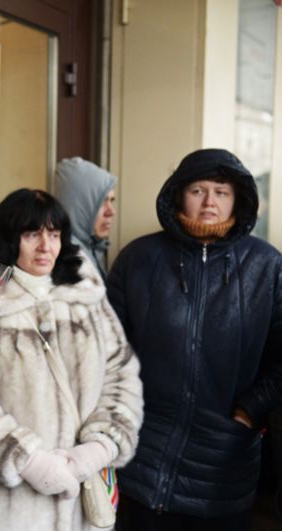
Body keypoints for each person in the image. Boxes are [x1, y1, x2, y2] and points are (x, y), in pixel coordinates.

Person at [0, 188, 143, 531]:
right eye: (32, 234)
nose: (45, 246)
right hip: (1, 507)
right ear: (9, 237)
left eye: (54, 234)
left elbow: (121, 374)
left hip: (78, 502)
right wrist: (27, 459)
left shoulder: (87, 297)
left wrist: (98, 448)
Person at [107, 148, 282, 531]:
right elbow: (108, 348)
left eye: (221, 192)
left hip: (224, 457)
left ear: (238, 199)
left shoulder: (267, 267)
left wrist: (251, 409)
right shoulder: (139, 258)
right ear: (178, 194)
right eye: (198, 190)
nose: (209, 202)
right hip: (143, 450)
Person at [54, 157, 118, 278]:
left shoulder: (92, 248)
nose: (111, 211)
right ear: (78, 205)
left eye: (111, 201)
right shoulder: (69, 261)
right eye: (102, 202)